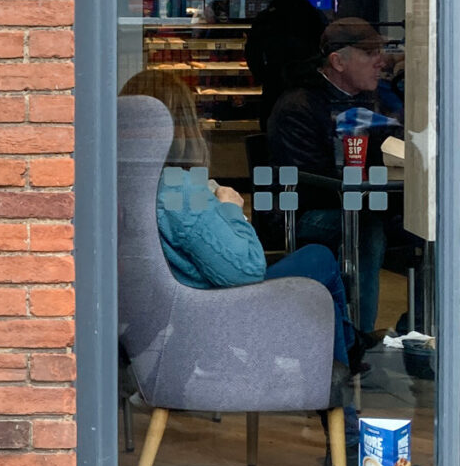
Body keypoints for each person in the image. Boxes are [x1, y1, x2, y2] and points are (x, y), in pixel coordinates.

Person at [120, 69, 356, 375]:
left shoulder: (122, 183)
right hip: (209, 312)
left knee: (325, 290)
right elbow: (245, 272)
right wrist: (231, 208)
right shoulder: (180, 190)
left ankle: (349, 353)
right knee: (319, 259)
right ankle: (345, 378)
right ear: (181, 126)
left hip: (166, 314)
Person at [266, 16, 404, 330]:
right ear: (337, 61)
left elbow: (396, 149)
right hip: (305, 213)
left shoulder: (372, 101)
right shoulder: (298, 106)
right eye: (369, 53)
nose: (380, 61)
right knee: (366, 229)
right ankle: (358, 339)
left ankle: (424, 329)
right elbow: (312, 184)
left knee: (436, 226)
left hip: (365, 203)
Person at [245, 0, 328, 129]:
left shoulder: (268, 15)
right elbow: (324, 47)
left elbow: (252, 52)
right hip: (307, 83)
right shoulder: (312, 15)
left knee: (271, 132)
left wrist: (263, 75)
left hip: (275, 82)